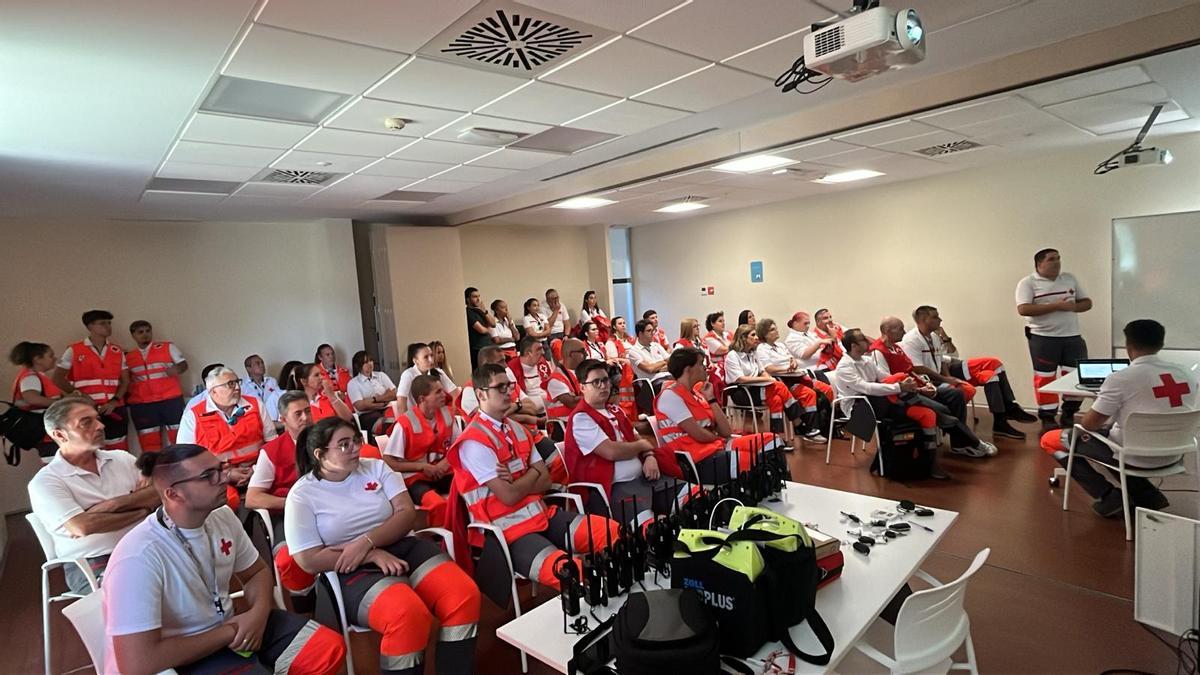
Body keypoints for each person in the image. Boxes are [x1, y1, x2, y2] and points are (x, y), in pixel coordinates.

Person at [104, 444, 345, 675]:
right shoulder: (138, 557)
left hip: (230, 629)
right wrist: (230, 632)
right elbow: (137, 663)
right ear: (173, 494)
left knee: (327, 649)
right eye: (209, 475)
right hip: (181, 657)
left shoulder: (221, 517)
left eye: (221, 469)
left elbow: (257, 573)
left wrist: (258, 614)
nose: (223, 479)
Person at [285, 417, 479, 675]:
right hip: (348, 567)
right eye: (344, 445)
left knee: (463, 595)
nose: (355, 448)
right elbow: (308, 559)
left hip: (403, 546)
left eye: (356, 440)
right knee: (407, 615)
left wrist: (367, 543)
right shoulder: (303, 494)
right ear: (320, 455)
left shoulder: (376, 468)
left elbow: (406, 513)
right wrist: (370, 554)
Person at [446, 363, 619, 591]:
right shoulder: (473, 442)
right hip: (509, 532)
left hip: (543, 516)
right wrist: (533, 472)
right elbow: (508, 496)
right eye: (501, 388)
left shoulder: (518, 429)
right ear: (480, 394)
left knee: (614, 533)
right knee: (573, 573)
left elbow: (546, 479)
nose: (509, 392)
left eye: (509, 386)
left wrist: (525, 478)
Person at [1040, 319, 1193, 517]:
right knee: (1111, 439)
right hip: (1175, 453)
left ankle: (1108, 495)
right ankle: (1147, 494)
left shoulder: (1121, 379)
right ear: (1161, 344)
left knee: (1051, 440)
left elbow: (1089, 424)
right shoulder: (1186, 374)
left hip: (1132, 456)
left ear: (1128, 346)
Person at [27, 398, 159, 593]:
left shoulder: (121, 458)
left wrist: (114, 505)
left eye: (97, 419)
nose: (100, 425)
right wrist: (143, 510)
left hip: (147, 545)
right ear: (59, 434)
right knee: (142, 589)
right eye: (86, 422)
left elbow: (159, 492)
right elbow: (83, 526)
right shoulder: (46, 482)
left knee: (199, 568)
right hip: (94, 561)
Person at [565, 359, 679, 525]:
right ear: (582, 387)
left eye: (605, 380)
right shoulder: (581, 417)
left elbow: (636, 437)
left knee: (694, 497)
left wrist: (649, 456)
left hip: (645, 479)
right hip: (613, 489)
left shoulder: (615, 410)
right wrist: (642, 446)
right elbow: (611, 452)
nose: (603, 386)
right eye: (596, 382)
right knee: (656, 529)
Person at [902, 306, 1038, 439]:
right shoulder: (911, 340)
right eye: (935, 316)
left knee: (993, 369)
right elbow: (918, 369)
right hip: (930, 378)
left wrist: (948, 375)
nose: (940, 319)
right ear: (924, 319)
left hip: (945, 369)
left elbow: (947, 357)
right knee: (989, 374)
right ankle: (1003, 418)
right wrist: (946, 380)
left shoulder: (935, 337)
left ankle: (1007, 409)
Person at [869, 317, 997, 459]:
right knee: (943, 410)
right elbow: (888, 382)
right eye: (900, 328)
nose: (904, 332)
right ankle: (972, 442)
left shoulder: (897, 348)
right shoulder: (878, 352)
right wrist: (920, 390)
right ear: (887, 331)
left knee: (956, 394)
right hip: (901, 396)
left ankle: (960, 444)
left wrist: (926, 384)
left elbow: (910, 371)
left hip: (917, 387)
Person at [834, 328, 952, 480]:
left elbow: (886, 377)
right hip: (860, 408)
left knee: (906, 386)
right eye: (863, 339)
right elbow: (866, 388)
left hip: (879, 401)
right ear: (854, 346)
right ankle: (931, 458)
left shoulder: (866, 361)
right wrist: (900, 387)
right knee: (917, 403)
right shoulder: (844, 367)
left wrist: (913, 386)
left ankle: (928, 461)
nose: (869, 341)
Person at [654, 348, 780, 482]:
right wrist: (718, 438)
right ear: (688, 369)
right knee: (755, 461)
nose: (705, 367)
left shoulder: (698, 394)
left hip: (716, 446)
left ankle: (780, 489)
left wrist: (711, 398)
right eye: (701, 363)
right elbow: (699, 434)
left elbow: (726, 431)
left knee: (772, 440)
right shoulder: (670, 396)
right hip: (699, 460)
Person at [244, 391, 316, 601]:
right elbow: (252, 498)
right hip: (288, 517)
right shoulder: (272, 451)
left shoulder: (325, 440)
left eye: (308, 411)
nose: (305, 417)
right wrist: (292, 503)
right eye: (298, 414)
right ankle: (306, 603)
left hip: (329, 509)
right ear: (283, 420)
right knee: (288, 559)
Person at [1016, 248, 1092, 430]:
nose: (1057, 262)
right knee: (1045, 378)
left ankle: (1069, 413)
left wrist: (1072, 307)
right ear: (1039, 264)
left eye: (1058, 258)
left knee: (1076, 376)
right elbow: (1023, 309)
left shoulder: (1069, 278)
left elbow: (1087, 303)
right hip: (1044, 338)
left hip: (1072, 336)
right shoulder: (1028, 283)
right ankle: (1048, 416)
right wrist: (1057, 306)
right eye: (1051, 259)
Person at [177, 367, 274, 507]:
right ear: (213, 391)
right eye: (230, 384)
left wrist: (256, 469)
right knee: (226, 503)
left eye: (237, 382)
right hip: (216, 478)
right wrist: (225, 475)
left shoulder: (255, 405)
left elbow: (273, 444)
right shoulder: (192, 417)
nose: (237, 387)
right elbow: (186, 462)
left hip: (259, 471)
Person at [382, 374, 459, 528]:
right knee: (436, 504)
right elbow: (388, 461)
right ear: (422, 399)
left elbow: (459, 446)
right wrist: (423, 467)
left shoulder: (447, 414)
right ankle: (443, 541)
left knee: (469, 488)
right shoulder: (405, 423)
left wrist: (445, 462)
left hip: (443, 472)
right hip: (416, 480)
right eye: (438, 392)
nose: (444, 394)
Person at [724, 325, 821, 442]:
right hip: (741, 392)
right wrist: (768, 380)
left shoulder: (753, 353)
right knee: (778, 385)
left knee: (776, 400)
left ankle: (777, 438)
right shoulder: (733, 355)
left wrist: (767, 377)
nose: (756, 338)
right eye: (753, 335)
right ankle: (797, 421)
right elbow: (740, 379)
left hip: (757, 388)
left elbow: (762, 371)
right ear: (743, 337)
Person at [52, 309, 129, 451]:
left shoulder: (117, 350)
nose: (108, 326)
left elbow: (125, 381)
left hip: (114, 408)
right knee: (92, 450)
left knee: (119, 449)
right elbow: (57, 378)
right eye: (102, 323)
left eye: (109, 323)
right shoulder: (74, 350)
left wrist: (114, 401)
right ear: (90, 327)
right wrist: (81, 397)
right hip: (86, 409)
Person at [755, 318, 832, 440]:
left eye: (776, 328)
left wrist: (793, 363)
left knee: (826, 389)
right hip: (783, 379)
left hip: (797, 375)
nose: (776, 331)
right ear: (765, 334)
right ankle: (810, 430)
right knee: (809, 394)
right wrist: (787, 369)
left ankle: (827, 425)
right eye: (772, 330)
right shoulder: (762, 348)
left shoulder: (780, 345)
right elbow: (769, 369)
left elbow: (792, 359)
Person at [125, 320, 188, 453]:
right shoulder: (128, 357)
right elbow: (126, 380)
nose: (145, 335)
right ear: (133, 335)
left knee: (179, 438)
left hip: (170, 400)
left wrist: (177, 369)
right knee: (149, 442)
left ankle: (181, 467)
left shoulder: (167, 347)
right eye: (140, 332)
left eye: (148, 331)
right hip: (143, 404)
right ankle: (154, 470)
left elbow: (183, 364)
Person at [9, 341, 64, 461]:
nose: (54, 358)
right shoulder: (30, 377)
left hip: (49, 432)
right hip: (46, 434)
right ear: (37, 359)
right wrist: (62, 404)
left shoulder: (35, 376)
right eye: (50, 356)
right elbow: (31, 398)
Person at [397, 342, 459, 414]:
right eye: (426, 357)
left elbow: (455, 393)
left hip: (436, 416)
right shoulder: (408, 374)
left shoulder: (437, 372)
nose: (431, 360)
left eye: (432, 355)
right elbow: (401, 401)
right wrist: (407, 422)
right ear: (415, 361)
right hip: (416, 417)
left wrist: (453, 413)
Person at [347, 350, 397, 435]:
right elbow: (360, 405)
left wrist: (372, 400)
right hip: (367, 415)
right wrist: (383, 398)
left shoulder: (381, 375)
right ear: (358, 366)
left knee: (399, 420)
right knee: (385, 426)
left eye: (370, 360)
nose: (370, 364)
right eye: (365, 362)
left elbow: (394, 394)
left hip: (387, 408)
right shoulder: (353, 383)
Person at [507, 336, 554, 412]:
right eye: (539, 349)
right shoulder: (511, 369)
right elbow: (515, 399)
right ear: (528, 353)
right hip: (529, 410)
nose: (543, 352)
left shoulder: (543, 363)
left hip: (550, 407)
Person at [783, 312, 832, 381]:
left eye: (809, 323)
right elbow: (804, 355)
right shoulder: (791, 339)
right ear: (795, 324)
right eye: (805, 323)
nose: (808, 326)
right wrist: (819, 343)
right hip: (814, 370)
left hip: (825, 365)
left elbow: (822, 347)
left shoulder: (809, 334)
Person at [545, 338, 586, 419]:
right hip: (565, 423)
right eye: (582, 351)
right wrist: (596, 397)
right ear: (571, 354)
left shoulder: (581, 371)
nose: (586, 354)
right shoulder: (556, 379)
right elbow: (571, 403)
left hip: (581, 417)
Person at [465, 286, 495, 369]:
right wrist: (488, 330)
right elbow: (481, 329)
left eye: (479, 296)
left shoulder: (480, 310)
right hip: (478, 348)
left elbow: (493, 324)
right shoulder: (468, 312)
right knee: (482, 372)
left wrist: (484, 311)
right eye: (475, 297)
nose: (478, 299)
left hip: (488, 345)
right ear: (468, 299)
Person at [811, 308, 846, 372]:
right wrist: (834, 338)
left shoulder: (837, 327)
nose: (830, 320)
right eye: (826, 318)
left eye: (830, 317)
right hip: (829, 368)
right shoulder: (814, 337)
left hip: (845, 361)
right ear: (818, 322)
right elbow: (836, 354)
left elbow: (852, 336)